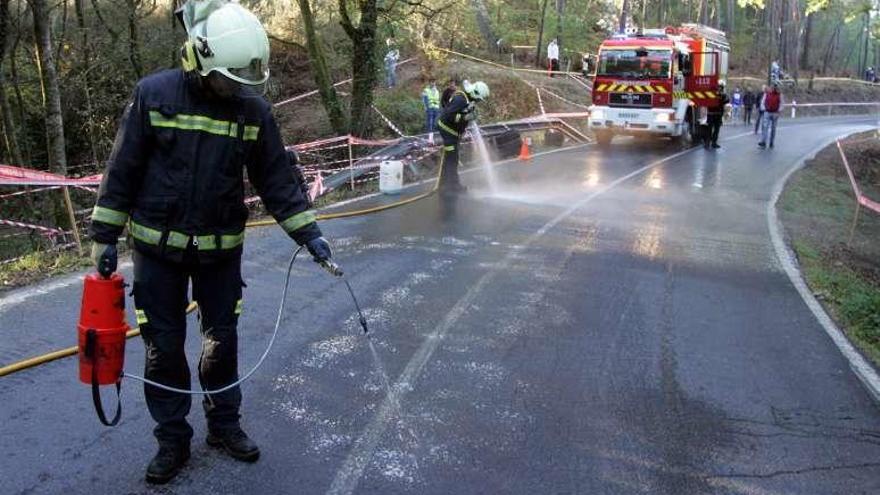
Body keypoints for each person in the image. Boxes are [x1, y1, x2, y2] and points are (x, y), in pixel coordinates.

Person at [88, 0, 334, 484]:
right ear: (198, 60)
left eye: (244, 81)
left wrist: (310, 235)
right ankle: (172, 439)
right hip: (158, 253)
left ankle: (224, 425)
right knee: (164, 346)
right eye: (228, 78)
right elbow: (122, 170)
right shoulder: (153, 96)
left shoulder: (252, 111)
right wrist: (104, 236)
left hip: (221, 253)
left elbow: (277, 179)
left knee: (222, 341)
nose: (235, 88)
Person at [435, 80, 490, 194]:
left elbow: (463, 112)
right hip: (447, 131)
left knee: (450, 158)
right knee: (452, 159)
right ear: (475, 93)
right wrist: (465, 118)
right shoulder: (460, 99)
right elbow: (449, 115)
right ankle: (453, 186)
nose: (478, 101)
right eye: (479, 99)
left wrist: (469, 114)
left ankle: (445, 184)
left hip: (453, 132)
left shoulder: (468, 98)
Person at [705, 81, 729, 149]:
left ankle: (713, 143)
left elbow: (727, 100)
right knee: (710, 129)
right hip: (712, 114)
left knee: (715, 129)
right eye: (719, 86)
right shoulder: (711, 93)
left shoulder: (723, 95)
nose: (719, 88)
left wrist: (722, 95)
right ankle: (708, 143)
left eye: (720, 87)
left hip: (717, 114)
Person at [758, 83, 783, 149]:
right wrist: (763, 108)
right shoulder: (767, 94)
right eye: (772, 87)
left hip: (775, 113)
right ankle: (763, 142)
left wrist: (779, 111)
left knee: (773, 129)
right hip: (767, 112)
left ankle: (771, 142)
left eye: (774, 87)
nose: (772, 88)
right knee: (765, 127)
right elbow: (763, 101)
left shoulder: (779, 94)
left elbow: (781, 103)